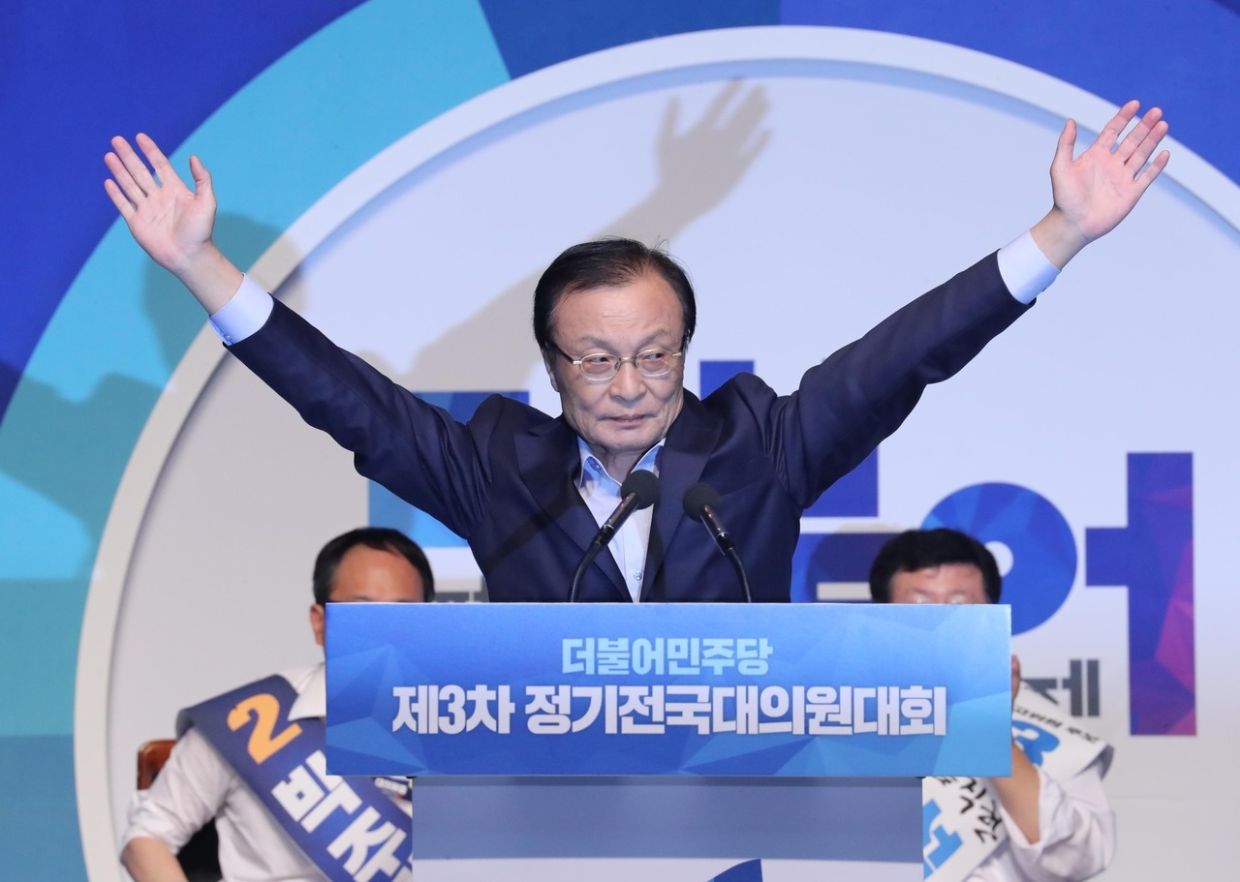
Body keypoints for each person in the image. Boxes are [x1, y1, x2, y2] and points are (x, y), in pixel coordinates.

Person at [103, 102, 1169, 603]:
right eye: (598, 361)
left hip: (737, 821)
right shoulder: (496, 468)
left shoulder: (762, 447)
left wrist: (1061, 235)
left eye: (656, 357)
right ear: (554, 370)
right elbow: (349, 403)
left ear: (688, 353)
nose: (630, 388)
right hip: (538, 827)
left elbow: (904, 356)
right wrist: (202, 265)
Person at [120, 528, 434, 882]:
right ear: (320, 623)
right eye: (362, 611)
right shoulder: (253, 719)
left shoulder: (463, 729)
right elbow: (145, 839)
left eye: (403, 614)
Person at [869, 528, 1115, 882]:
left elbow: (1074, 861)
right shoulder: (836, 718)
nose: (942, 625)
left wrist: (992, 728)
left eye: (959, 606)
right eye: (920, 607)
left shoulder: (1040, 725)